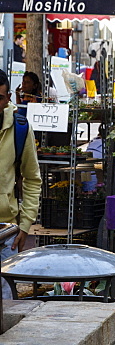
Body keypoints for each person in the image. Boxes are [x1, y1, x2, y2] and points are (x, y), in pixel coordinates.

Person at [0, 70, 41, 300]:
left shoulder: (20, 128)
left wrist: (25, 225)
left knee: (8, 306)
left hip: (6, 232)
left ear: (8, 99)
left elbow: (33, 179)